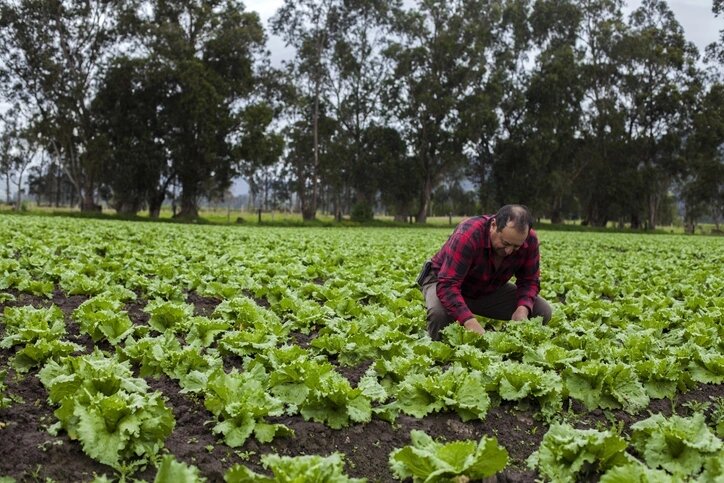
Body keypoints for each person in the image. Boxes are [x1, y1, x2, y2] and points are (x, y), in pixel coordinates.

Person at [417, 204, 552, 340]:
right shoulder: (468, 234)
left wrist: (522, 310)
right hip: (442, 282)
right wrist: (470, 322)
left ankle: (518, 343)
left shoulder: (529, 240)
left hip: (486, 287)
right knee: (439, 315)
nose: (508, 251)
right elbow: (448, 285)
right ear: (493, 225)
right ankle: (441, 352)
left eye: (516, 247)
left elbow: (529, 281)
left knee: (542, 311)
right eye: (505, 243)